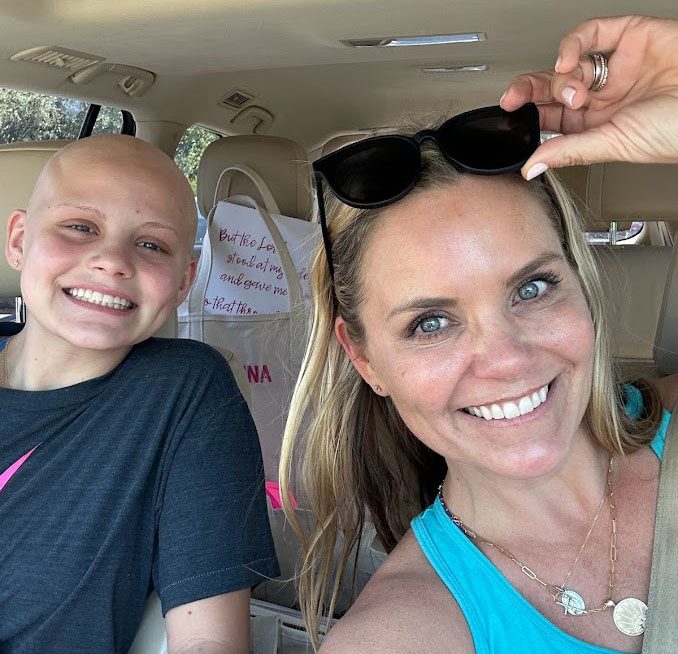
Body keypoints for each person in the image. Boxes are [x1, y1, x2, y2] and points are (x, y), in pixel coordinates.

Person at [279, 14, 678, 653]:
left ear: (582, 285)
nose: (506, 360)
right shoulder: (396, 637)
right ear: (363, 358)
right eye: (430, 323)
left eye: (532, 288)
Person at [0, 135, 279, 653]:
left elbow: (209, 643)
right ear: (18, 240)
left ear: (182, 283)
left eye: (151, 244)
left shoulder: (186, 393)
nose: (111, 261)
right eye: (80, 227)